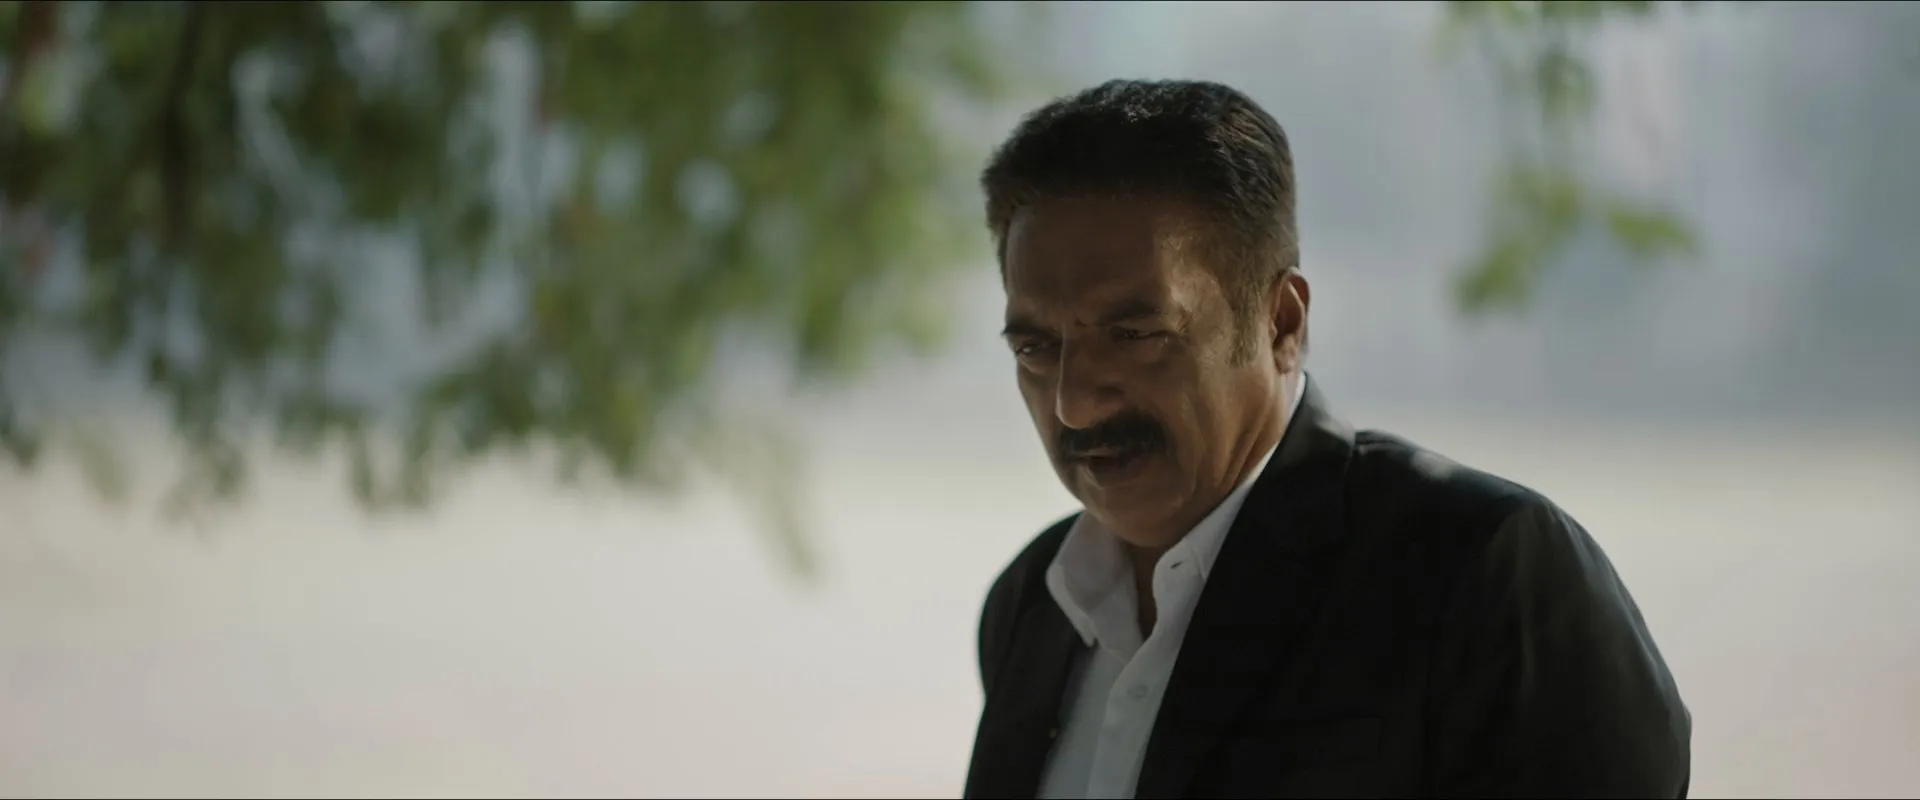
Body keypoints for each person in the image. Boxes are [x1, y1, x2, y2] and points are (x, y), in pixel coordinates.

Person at [962, 79, 1691, 799]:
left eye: (1134, 335)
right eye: (1035, 348)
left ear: (1282, 322)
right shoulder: (1032, 606)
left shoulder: (1478, 575)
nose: (1075, 404)